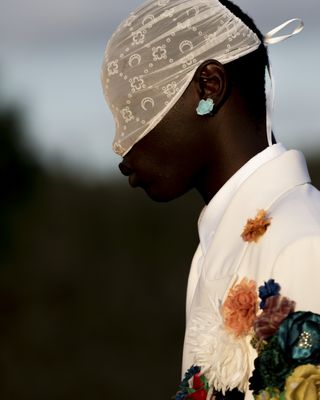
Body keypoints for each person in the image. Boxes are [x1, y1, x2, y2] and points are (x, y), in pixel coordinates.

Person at [101, 0, 320, 399]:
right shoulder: (214, 250)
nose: (122, 148)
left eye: (136, 109)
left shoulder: (302, 243)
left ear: (209, 87)